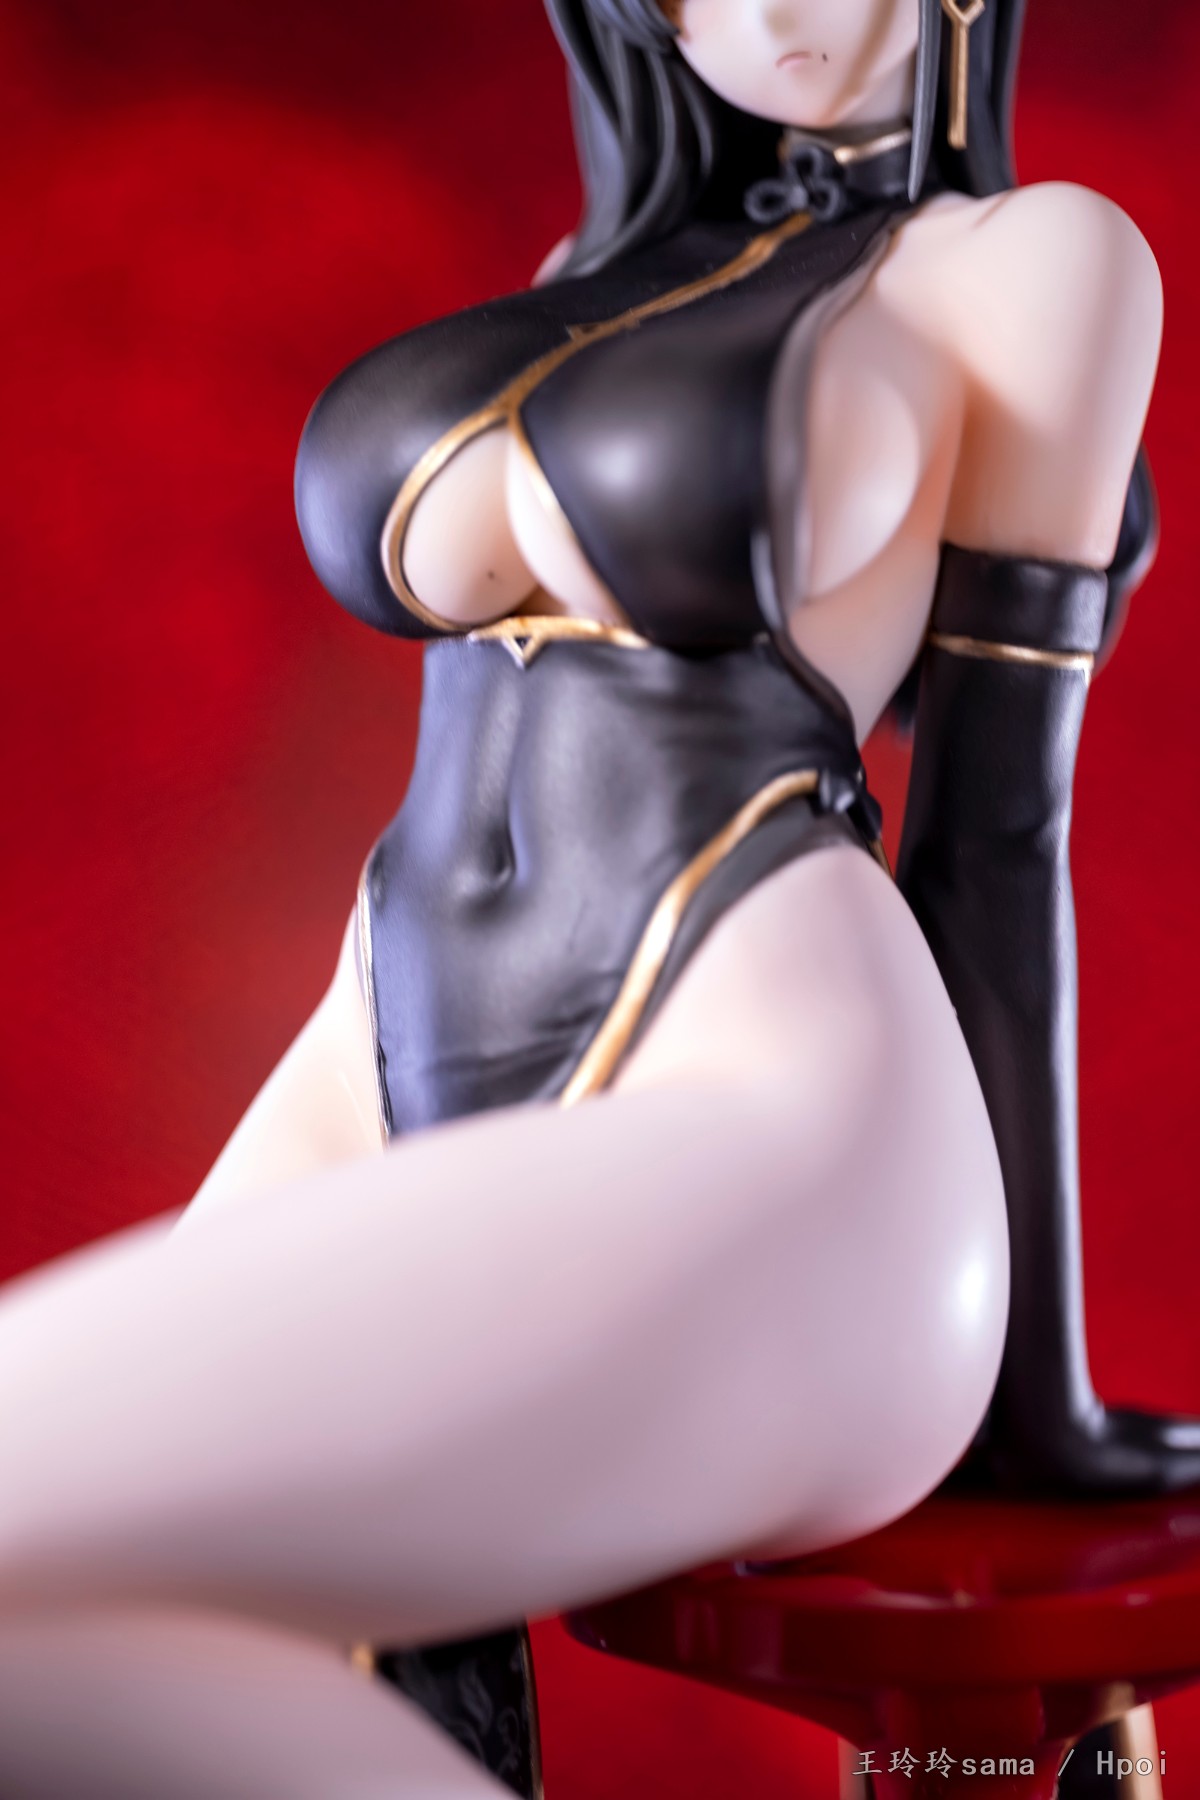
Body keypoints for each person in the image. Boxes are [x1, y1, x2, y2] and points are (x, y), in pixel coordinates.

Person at [0, 2, 1184, 1795]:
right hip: (388, 1040)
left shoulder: (1038, 267)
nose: (767, 18)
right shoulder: (586, 270)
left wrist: (1041, 1410)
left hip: (780, 1098)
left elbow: (999, 836)